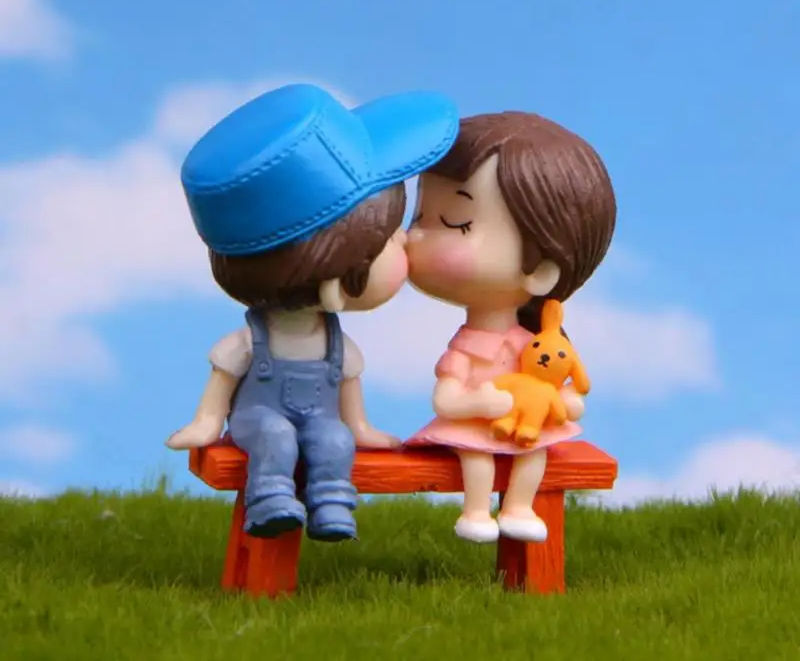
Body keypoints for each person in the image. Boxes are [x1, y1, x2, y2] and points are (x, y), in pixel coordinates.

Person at [166, 82, 458, 542]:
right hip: (259, 419)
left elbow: (349, 396)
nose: (405, 239)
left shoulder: (335, 344)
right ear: (335, 284)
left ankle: (332, 502)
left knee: (335, 438)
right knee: (275, 437)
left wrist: (359, 427)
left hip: (320, 418)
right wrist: (206, 423)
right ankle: (270, 500)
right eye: (388, 237)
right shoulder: (250, 342)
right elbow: (223, 380)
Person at [405, 110, 616, 543]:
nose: (415, 237)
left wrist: (564, 401)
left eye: (455, 222)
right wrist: (478, 402)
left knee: (534, 455)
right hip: (475, 427)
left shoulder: (535, 346)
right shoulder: (468, 347)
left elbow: (565, 395)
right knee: (476, 458)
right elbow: (445, 400)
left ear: (539, 270)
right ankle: (477, 511)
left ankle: (519, 507)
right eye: (420, 215)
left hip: (525, 431)